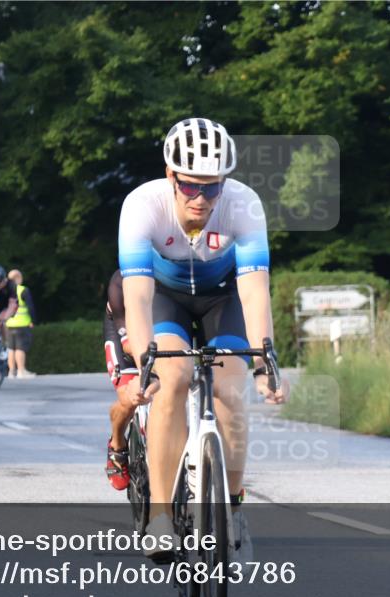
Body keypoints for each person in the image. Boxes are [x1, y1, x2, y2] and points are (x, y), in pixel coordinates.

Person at [118, 118, 289, 562]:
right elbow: (136, 296)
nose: (201, 198)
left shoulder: (244, 204)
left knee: (230, 386)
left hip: (223, 296)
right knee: (170, 378)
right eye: (192, 186)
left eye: (212, 188)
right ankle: (158, 516)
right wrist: (143, 366)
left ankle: (231, 509)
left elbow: (254, 290)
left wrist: (264, 363)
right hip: (166, 298)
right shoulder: (142, 205)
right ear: (171, 175)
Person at [103, 269, 138, 490]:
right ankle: (117, 445)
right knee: (129, 397)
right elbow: (129, 342)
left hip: (161, 325)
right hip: (121, 326)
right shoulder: (122, 277)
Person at [5, 269, 37, 379]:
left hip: (8, 324)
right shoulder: (23, 290)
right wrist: (32, 320)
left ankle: (11, 371)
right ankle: (21, 370)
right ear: (18, 278)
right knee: (20, 348)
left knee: (11, 348)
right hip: (22, 323)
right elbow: (30, 306)